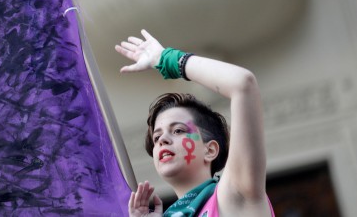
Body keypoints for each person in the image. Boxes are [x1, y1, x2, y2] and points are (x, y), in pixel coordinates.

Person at [115, 29, 274, 217]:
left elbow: (243, 84)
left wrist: (165, 59)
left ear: (210, 150)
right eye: (157, 137)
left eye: (178, 130)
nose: (162, 140)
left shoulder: (233, 194)